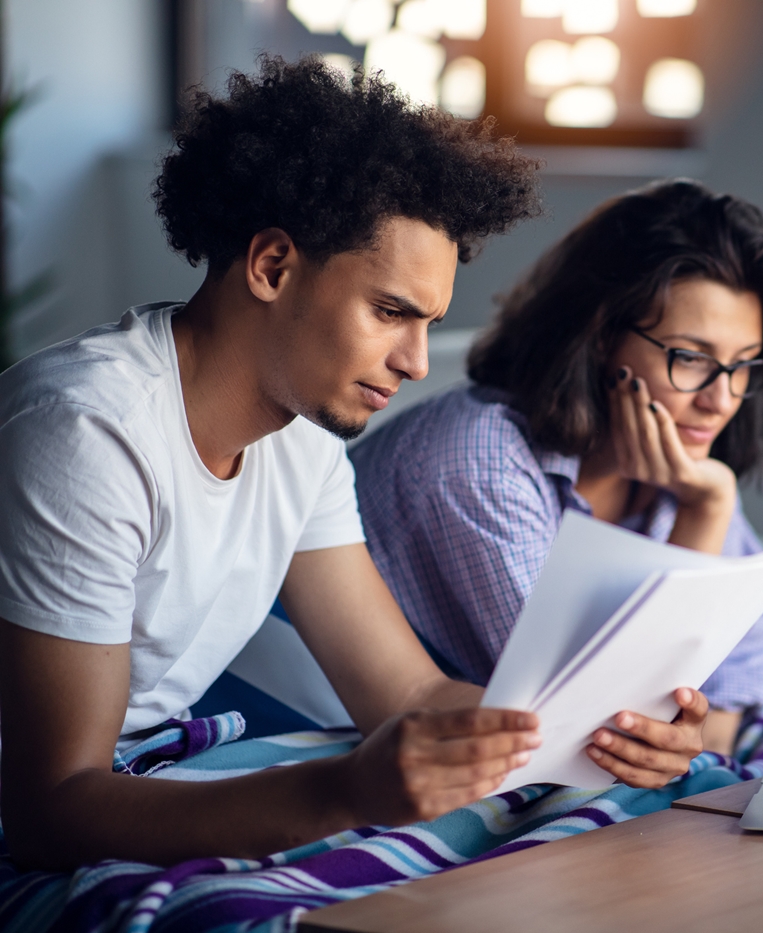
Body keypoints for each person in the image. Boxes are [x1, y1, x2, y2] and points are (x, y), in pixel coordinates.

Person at [0, 59, 711, 873]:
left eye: (428, 322)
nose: (413, 362)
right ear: (272, 265)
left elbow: (408, 695)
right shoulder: (88, 431)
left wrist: (610, 731)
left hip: (154, 776)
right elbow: (49, 810)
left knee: (595, 819)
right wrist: (343, 792)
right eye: (389, 312)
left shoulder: (303, 440)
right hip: (41, 825)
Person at [352, 180, 763, 760]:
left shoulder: (678, 465)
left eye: (743, 366)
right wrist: (705, 512)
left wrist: (708, 499)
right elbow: (599, 725)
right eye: (691, 358)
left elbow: (740, 690)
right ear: (600, 338)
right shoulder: (475, 465)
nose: (722, 399)